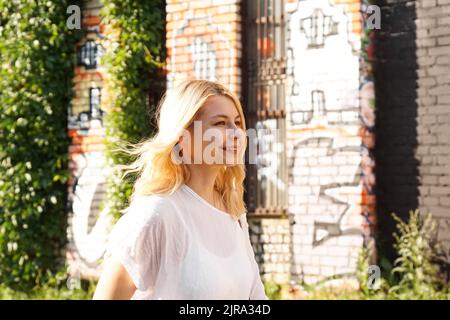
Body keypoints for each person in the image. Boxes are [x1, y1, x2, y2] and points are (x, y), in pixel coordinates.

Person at [93, 79, 268, 300]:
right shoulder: (158, 213)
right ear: (183, 137)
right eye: (220, 124)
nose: (236, 134)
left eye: (237, 123)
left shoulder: (232, 212)